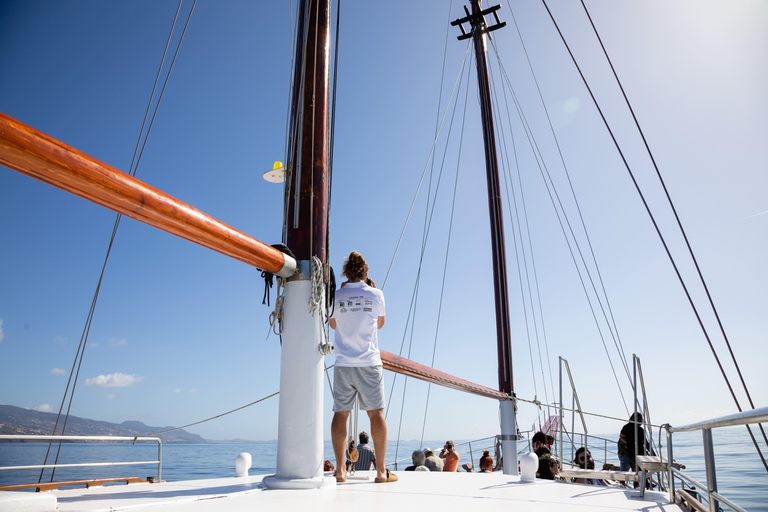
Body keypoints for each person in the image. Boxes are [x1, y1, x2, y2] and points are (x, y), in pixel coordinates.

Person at [330, 252, 397, 484]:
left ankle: (340, 471)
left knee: (341, 414)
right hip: (369, 363)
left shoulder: (336, 295)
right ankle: (380, 472)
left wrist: (340, 294)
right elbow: (379, 324)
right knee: (376, 414)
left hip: (343, 364)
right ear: (366, 275)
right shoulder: (376, 294)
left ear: (346, 274)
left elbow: (332, 324)